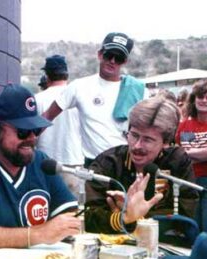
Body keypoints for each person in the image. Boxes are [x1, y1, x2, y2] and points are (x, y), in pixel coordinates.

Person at [0, 84, 81, 248]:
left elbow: (69, 214)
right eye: (23, 131)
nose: (32, 138)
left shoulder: (42, 163)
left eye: (36, 130)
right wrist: (36, 234)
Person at [85, 97, 199, 234]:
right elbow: (87, 216)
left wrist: (134, 216)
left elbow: (185, 217)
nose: (137, 145)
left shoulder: (177, 160)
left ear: (166, 142)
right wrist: (126, 217)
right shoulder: (108, 162)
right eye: (134, 135)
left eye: (148, 139)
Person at [43, 32, 149, 167]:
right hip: (94, 166)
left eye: (119, 58)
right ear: (100, 54)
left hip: (127, 165)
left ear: (125, 62)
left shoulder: (139, 91)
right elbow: (47, 116)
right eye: (109, 55)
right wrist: (25, 136)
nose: (112, 61)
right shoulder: (79, 86)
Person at [35, 55, 84, 196]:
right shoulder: (79, 97)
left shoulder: (37, 99)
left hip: (45, 164)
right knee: (73, 213)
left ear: (47, 75)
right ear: (66, 74)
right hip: (73, 163)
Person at [176, 80, 207, 231]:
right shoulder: (184, 126)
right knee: (191, 226)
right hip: (189, 182)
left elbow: (186, 153)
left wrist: (189, 154)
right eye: (200, 96)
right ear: (194, 99)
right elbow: (181, 154)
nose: (204, 100)